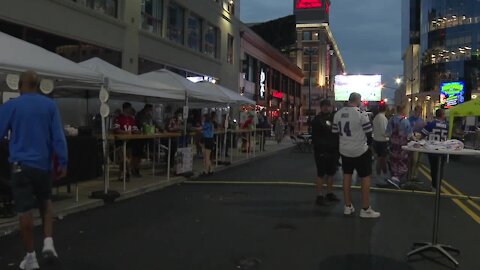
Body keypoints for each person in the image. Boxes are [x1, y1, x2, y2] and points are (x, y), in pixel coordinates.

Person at [0, 71, 68, 269]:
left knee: (24, 211)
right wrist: (62, 162)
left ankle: (31, 256)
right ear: (38, 86)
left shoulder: (12, 106)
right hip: (43, 166)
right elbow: (58, 136)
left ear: (20, 85)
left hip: (21, 166)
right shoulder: (50, 106)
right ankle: (48, 242)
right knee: (45, 202)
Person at [332, 92, 380, 218]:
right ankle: (365, 208)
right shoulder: (361, 114)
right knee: (365, 177)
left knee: (346, 176)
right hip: (360, 150)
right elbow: (369, 133)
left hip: (344, 150)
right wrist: (369, 145)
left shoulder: (338, 114)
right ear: (357, 100)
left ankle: (347, 206)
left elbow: (335, 132)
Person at [311, 99, 340, 206]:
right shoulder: (317, 120)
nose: (326, 108)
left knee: (331, 173)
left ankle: (329, 193)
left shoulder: (334, 118)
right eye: (324, 106)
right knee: (321, 173)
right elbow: (315, 137)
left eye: (328, 106)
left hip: (333, 150)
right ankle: (319, 195)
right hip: (321, 151)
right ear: (321, 107)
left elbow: (337, 133)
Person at [385, 105, 413, 189]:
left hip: (393, 144)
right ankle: (398, 179)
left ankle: (394, 176)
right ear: (403, 111)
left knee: (393, 160)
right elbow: (409, 135)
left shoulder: (391, 120)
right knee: (402, 161)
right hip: (402, 145)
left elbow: (388, 133)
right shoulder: (405, 121)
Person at [421, 109, 449, 188]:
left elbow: (423, 134)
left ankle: (434, 185)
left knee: (434, 168)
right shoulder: (447, 125)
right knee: (440, 168)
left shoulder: (431, 124)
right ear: (442, 115)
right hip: (443, 149)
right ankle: (438, 184)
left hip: (432, 149)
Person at [113, 104, 141, 180]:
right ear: (125, 109)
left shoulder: (131, 119)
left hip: (129, 142)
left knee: (128, 158)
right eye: (129, 108)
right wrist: (126, 132)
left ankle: (123, 174)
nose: (130, 110)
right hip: (120, 142)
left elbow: (135, 129)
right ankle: (126, 173)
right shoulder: (118, 118)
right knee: (123, 159)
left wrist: (138, 131)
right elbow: (116, 130)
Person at [408, 106, 426, 182]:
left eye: (420, 111)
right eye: (418, 111)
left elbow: (424, 131)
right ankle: (410, 175)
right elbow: (408, 130)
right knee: (414, 160)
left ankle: (415, 175)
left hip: (421, 141)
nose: (419, 113)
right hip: (413, 142)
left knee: (419, 160)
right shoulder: (410, 120)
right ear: (415, 111)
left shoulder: (422, 121)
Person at [372, 104, 389, 181]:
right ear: (386, 109)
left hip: (376, 140)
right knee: (382, 159)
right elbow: (384, 131)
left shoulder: (376, 117)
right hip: (382, 141)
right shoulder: (382, 118)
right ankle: (383, 175)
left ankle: (379, 175)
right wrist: (390, 135)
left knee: (379, 159)